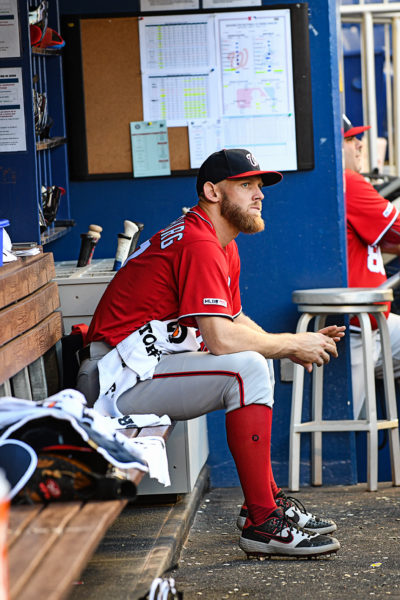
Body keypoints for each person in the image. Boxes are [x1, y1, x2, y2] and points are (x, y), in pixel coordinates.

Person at [77, 148, 344, 558]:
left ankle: (264, 503)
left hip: (144, 365)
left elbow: (233, 320)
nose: (259, 195)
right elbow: (220, 340)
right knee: (248, 367)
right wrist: (291, 344)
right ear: (212, 192)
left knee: (254, 364)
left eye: (259, 186)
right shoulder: (199, 242)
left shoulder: (219, 240)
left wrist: (288, 343)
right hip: (115, 378)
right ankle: (261, 522)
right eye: (246, 185)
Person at [343, 115, 400, 419]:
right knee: (343, 425)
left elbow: (389, 238)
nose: (359, 145)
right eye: (350, 139)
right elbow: (398, 229)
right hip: (354, 327)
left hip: (376, 323)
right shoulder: (347, 180)